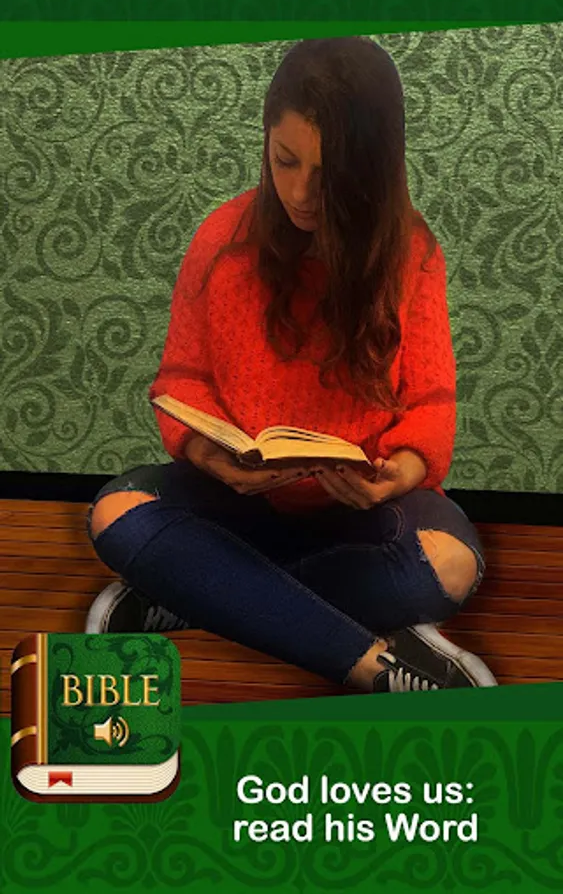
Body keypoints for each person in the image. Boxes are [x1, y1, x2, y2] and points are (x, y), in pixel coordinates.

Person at [85, 37, 497, 694]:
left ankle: (193, 594)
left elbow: (430, 401)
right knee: (115, 511)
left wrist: (401, 472)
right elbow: (181, 379)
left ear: (371, 167)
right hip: (236, 503)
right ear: (266, 144)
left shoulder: (411, 251)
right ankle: (376, 665)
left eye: (328, 174)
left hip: (358, 516)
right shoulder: (221, 238)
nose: (300, 193)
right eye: (284, 161)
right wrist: (209, 453)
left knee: (451, 565)